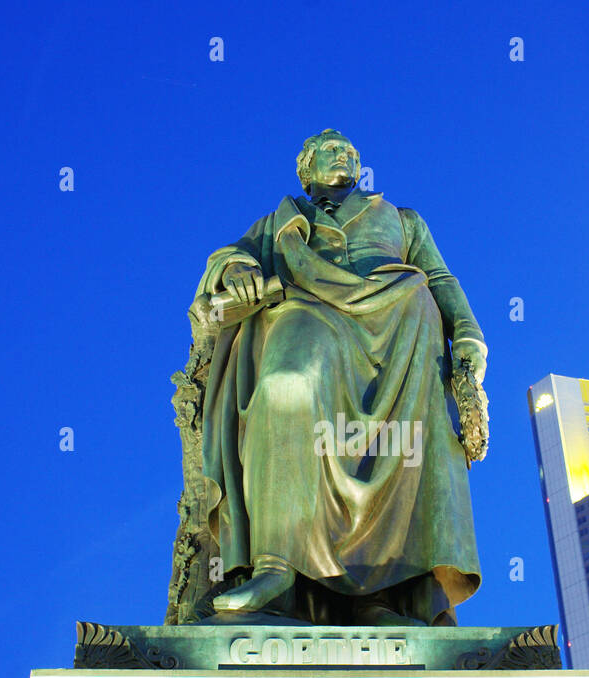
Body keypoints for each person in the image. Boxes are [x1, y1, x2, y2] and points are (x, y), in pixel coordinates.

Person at [193, 129, 487, 626]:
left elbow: (439, 278)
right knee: (285, 381)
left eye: (352, 151)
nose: (346, 155)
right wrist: (239, 267)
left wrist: (468, 335)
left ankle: (389, 590)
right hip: (306, 311)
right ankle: (277, 564)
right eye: (333, 149)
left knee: (409, 439)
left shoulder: (403, 219)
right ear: (305, 169)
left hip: (400, 326)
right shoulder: (280, 223)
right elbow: (229, 258)